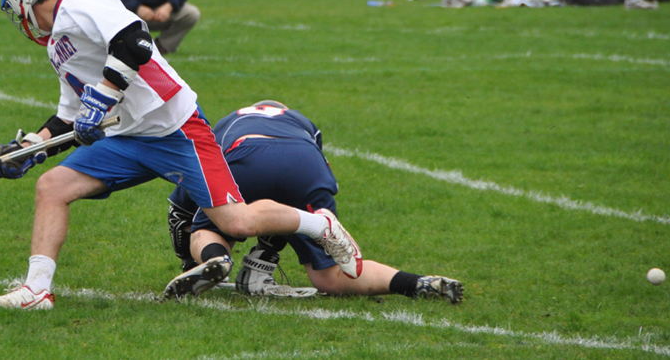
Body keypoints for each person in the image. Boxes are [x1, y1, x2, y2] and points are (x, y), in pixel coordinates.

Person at [0, 0, 362, 310]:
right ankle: (37, 289)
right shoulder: (57, 43)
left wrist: (103, 98)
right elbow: (70, 116)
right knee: (52, 187)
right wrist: (28, 148)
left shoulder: (79, 3)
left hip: (175, 129)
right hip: (129, 136)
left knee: (236, 222)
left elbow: (135, 42)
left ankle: (319, 224)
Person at [164, 101, 464, 303]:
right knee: (331, 275)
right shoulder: (302, 122)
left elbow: (182, 207)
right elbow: (299, 172)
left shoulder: (227, 123)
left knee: (208, 231)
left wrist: (188, 262)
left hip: (245, 154)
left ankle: (218, 258)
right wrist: (269, 248)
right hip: (307, 166)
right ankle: (417, 283)